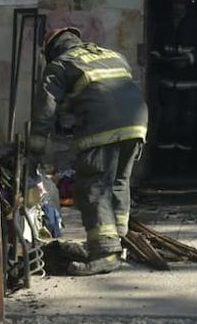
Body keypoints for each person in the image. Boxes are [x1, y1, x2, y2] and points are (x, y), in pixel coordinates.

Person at [30, 26, 148, 276]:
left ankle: (105, 253)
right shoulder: (112, 55)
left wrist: (34, 151)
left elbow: (45, 113)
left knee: (93, 187)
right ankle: (117, 243)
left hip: (102, 125)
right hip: (137, 122)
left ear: (52, 50)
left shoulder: (60, 65)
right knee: (119, 182)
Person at [149, 0, 197, 171]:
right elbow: (155, 49)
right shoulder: (164, 24)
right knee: (167, 124)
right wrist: (160, 60)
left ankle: (184, 165)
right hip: (169, 83)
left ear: (188, 4)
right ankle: (166, 165)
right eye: (175, 2)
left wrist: (188, 59)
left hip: (192, 84)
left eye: (181, 3)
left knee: (188, 125)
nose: (177, 6)